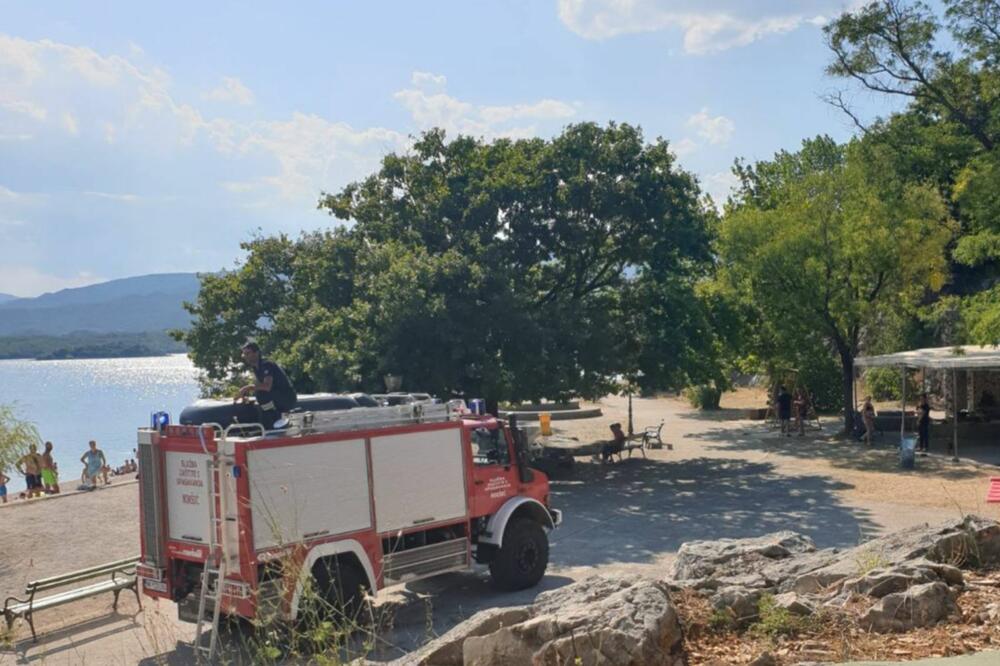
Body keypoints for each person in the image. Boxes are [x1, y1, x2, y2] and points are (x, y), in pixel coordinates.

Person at [235, 341, 298, 430]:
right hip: (276, 397)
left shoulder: (266, 365)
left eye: (248, 353)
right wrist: (245, 395)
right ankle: (271, 422)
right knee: (259, 398)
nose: (245, 356)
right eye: (244, 354)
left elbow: (267, 386)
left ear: (256, 353)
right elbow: (258, 385)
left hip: (286, 397)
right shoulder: (256, 367)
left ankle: (278, 418)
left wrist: (247, 388)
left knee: (261, 395)